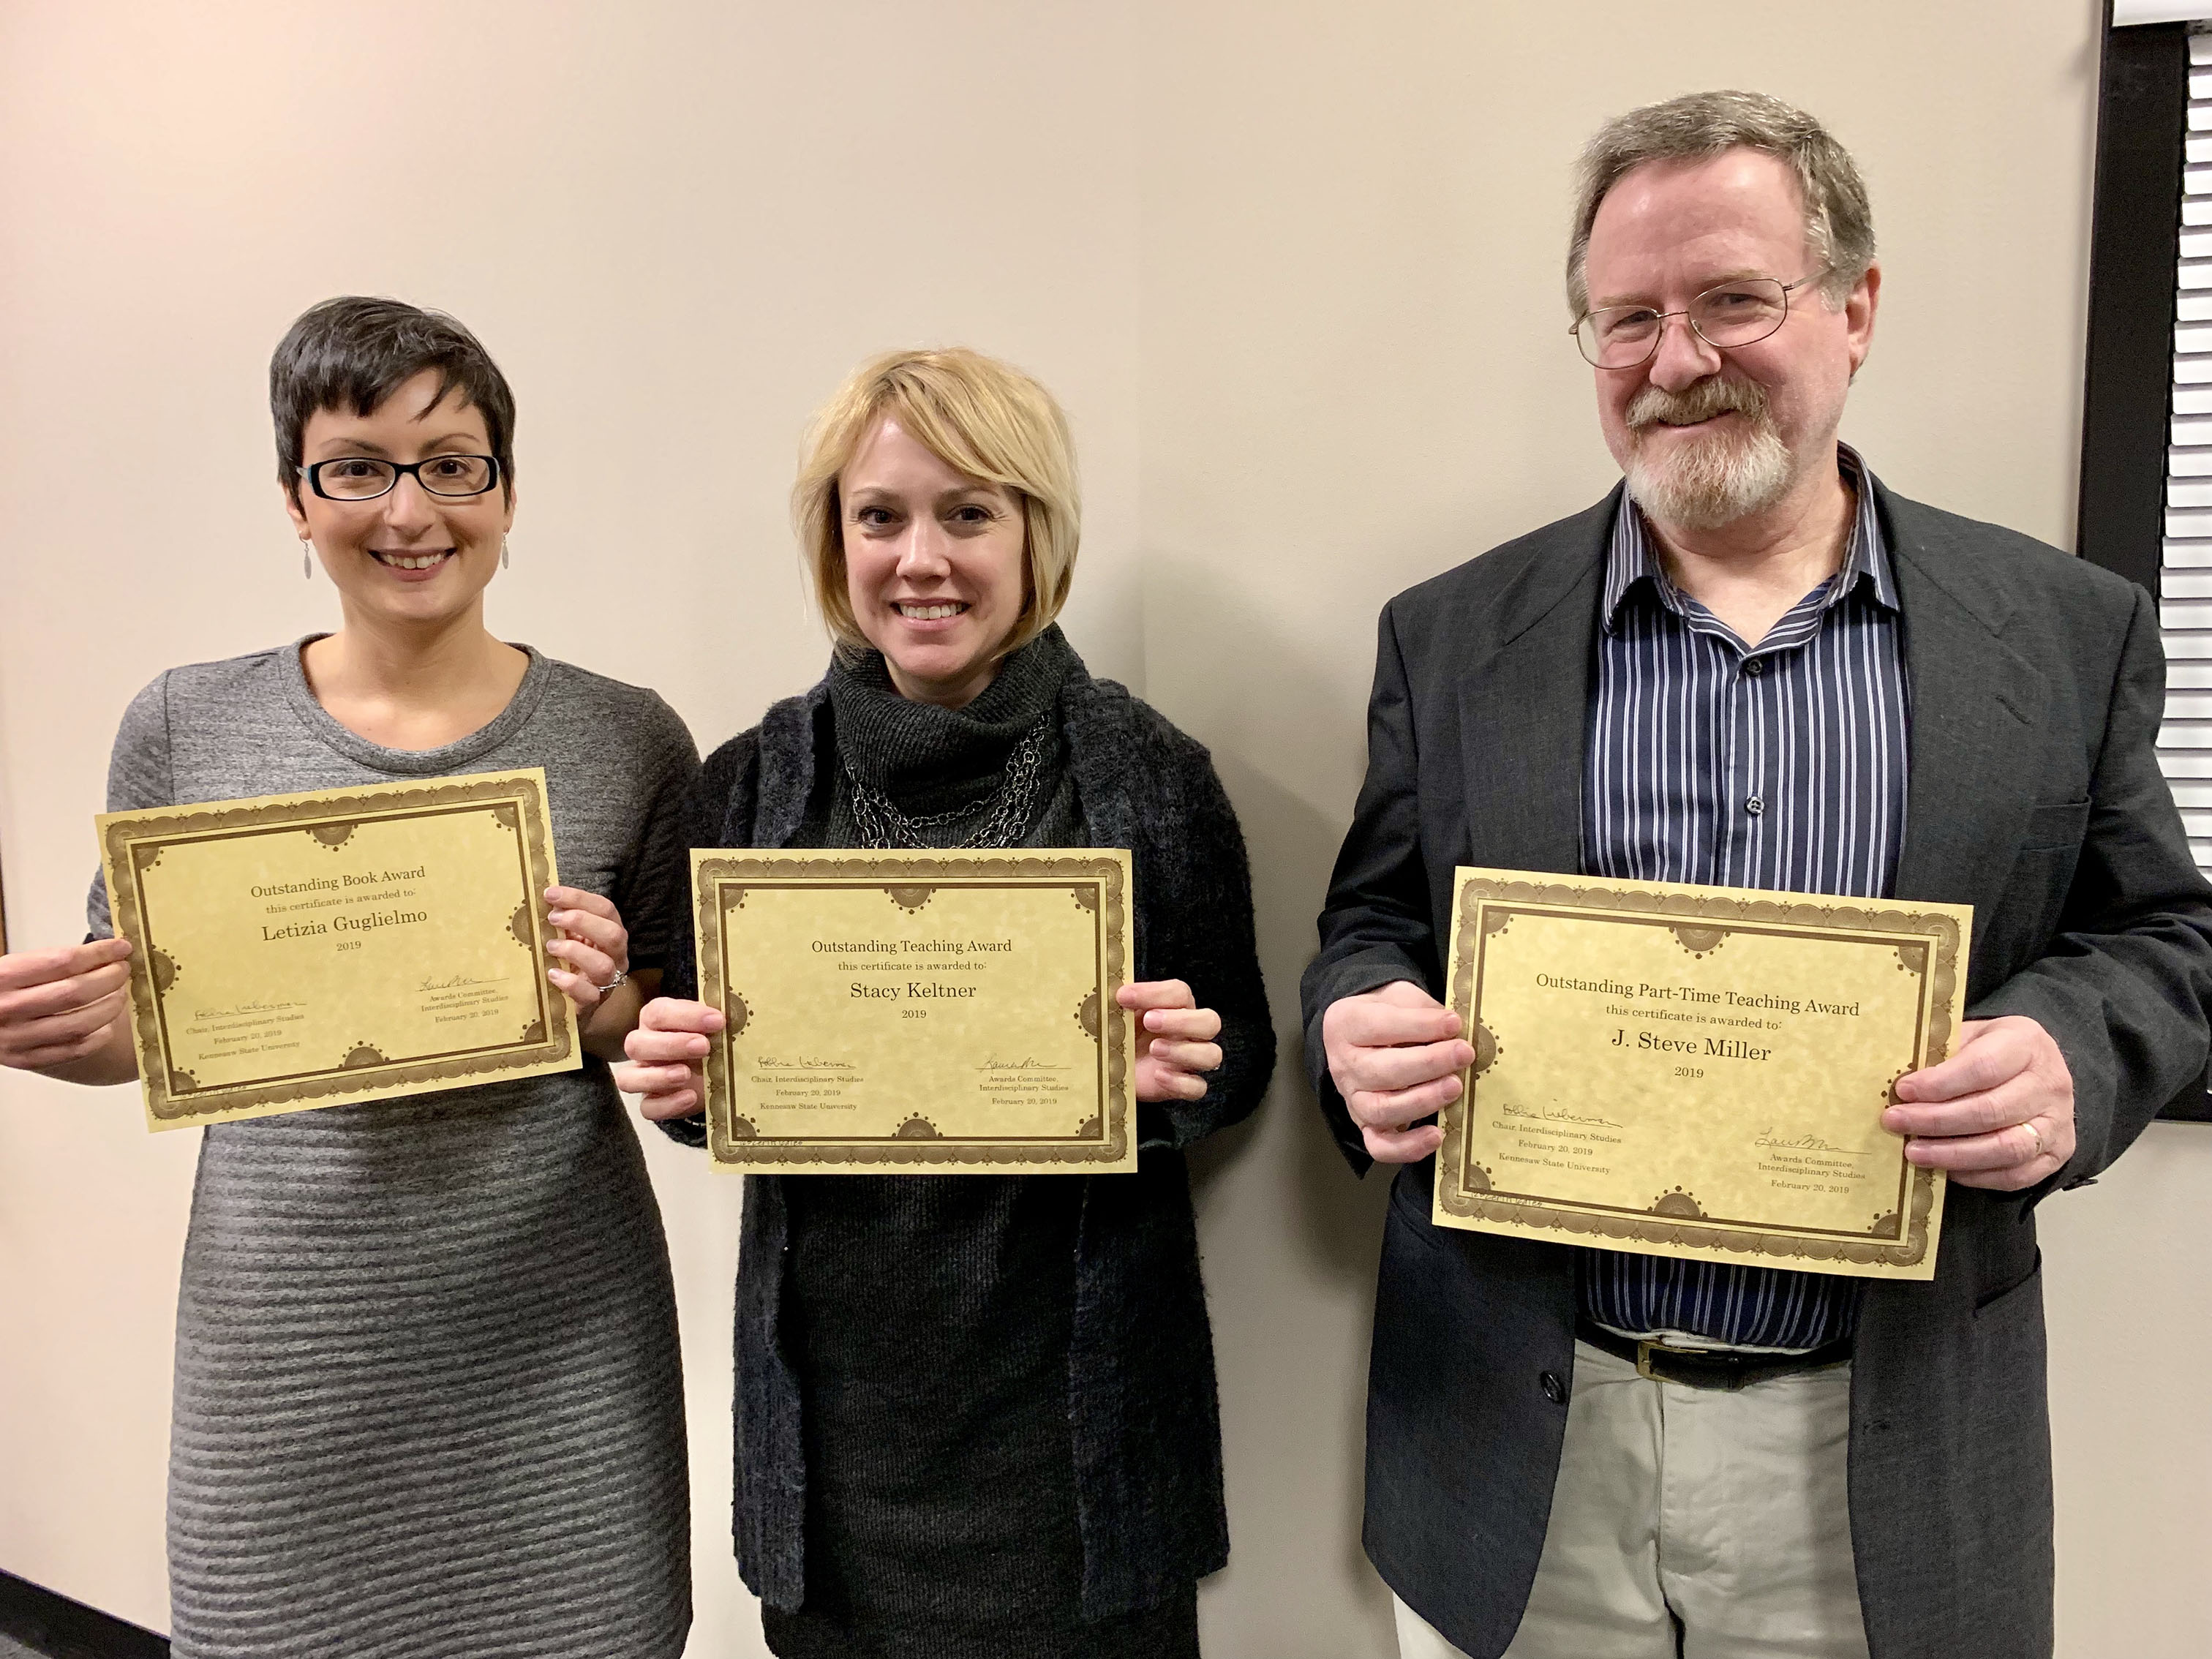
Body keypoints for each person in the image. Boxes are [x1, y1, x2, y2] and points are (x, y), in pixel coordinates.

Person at [1301, 90, 2212, 1659]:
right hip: (1525, 1440)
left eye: (1734, 298)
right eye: (1627, 318)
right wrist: (1358, 1018)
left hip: (1883, 1454)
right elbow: (1374, 919)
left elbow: (2170, 942)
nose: (1677, 359)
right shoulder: (1450, 635)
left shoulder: (2064, 633)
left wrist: (2075, 1052)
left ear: (1856, 309)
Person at [0, 298, 697, 1658]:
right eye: (356, 467)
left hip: (558, 1336)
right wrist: (45, 1031)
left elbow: (669, 1037)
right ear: (293, 498)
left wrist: (606, 992)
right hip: (286, 1354)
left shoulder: (627, 735)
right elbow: (142, 1024)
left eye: (452, 463)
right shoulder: (184, 722)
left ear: (505, 488)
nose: (409, 510)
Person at [617, 347, 1273, 1658]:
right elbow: (703, 1076)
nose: (923, 558)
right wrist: (684, 1087)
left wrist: (1180, 1079)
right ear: (834, 542)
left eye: (971, 513)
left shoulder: (1150, 775)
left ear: (1040, 534)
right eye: (882, 516)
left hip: (1080, 1448)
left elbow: (1243, 1052)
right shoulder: (748, 787)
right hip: (837, 1453)